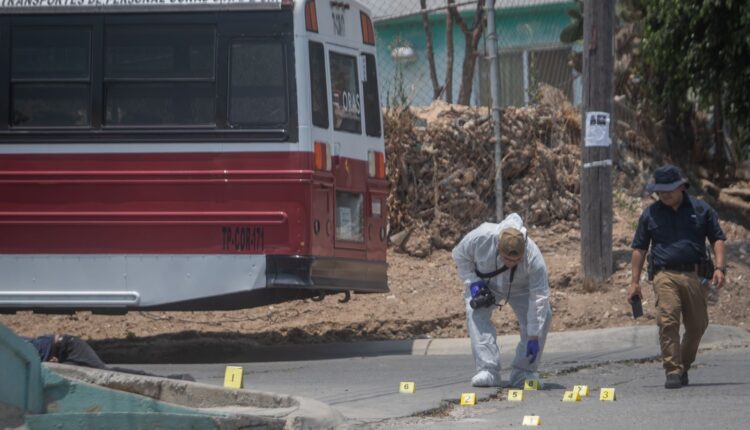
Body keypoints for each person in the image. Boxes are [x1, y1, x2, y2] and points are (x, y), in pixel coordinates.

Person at [627, 164, 726, 389]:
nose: (664, 194)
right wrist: (634, 283)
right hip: (664, 275)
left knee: (698, 325)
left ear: (681, 187)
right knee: (668, 320)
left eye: (668, 189)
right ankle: (672, 370)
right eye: (660, 190)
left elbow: (717, 239)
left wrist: (720, 268)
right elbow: (639, 249)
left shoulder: (701, 209)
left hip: (695, 275)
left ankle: (683, 364)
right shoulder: (650, 214)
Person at [452, 212, 552, 388]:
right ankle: (487, 370)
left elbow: (539, 297)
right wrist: (473, 282)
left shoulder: (534, 257)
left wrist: (534, 336)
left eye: (517, 260)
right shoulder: (481, 237)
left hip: (521, 288)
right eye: (507, 259)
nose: (511, 263)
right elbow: (460, 256)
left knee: (545, 315)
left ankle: (524, 372)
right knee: (474, 311)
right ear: (498, 245)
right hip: (487, 285)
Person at [23, 334, 195, 381]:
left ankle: (174, 379)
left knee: (107, 376)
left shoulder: (22, 351)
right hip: (62, 353)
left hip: (69, 347)